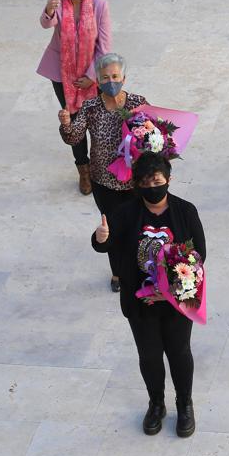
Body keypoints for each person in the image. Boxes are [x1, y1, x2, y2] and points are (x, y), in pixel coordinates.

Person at [92, 152, 205, 438]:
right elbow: (106, 245)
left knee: (179, 353)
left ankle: (184, 405)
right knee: (149, 356)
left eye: (157, 180)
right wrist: (101, 238)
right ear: (137, 184)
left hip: (176, 303)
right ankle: (156, 403)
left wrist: (166, 288)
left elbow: (198, 255)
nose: (152, 186)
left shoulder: (185, 211)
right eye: (145, 182)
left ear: (168, 179)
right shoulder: (126, 213)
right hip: (140, 303)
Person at [59, 53, 147, 292]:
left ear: (124, 78)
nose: (111, 81)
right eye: (105, 77)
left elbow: (151, 137)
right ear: (97, 80)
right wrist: (67, 123)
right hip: (104, 182)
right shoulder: (90, 107)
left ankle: (140, 268)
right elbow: (75, 136)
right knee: (112, 228)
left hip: (134, 182)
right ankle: (118, 272)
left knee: (138, 227)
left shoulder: (137, 103)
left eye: (115, 76)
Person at [38, 0, 112, 196]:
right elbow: (46, 24)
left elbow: (104, 46)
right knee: (74, 121)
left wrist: (92, 76)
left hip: (93, 74)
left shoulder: (100, 6)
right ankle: (83, 169)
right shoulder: (60, 5)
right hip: (62, 74)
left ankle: (100, 164)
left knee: (98, 120)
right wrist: (49, 7)